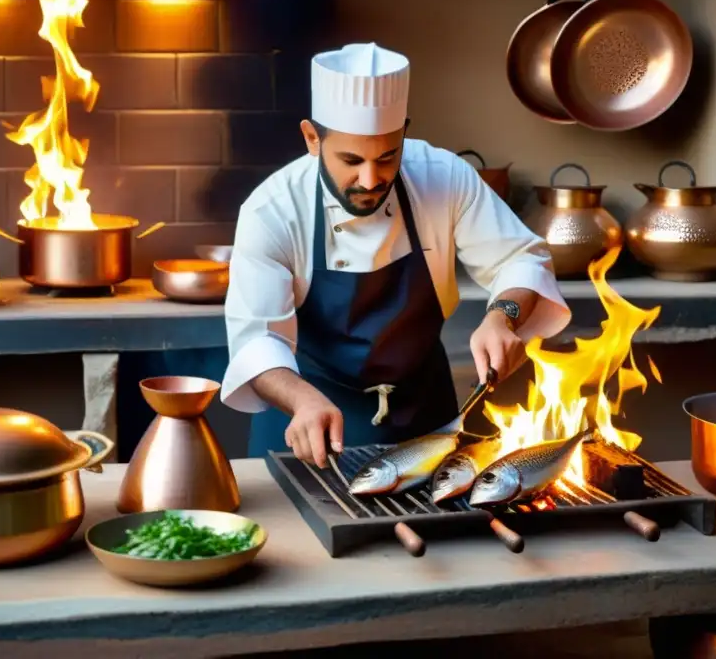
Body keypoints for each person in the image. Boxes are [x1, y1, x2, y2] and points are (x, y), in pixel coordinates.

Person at [220, 42, 571, 467]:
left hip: (425, 419)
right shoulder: (272, 210)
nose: (371, 179)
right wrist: (300, 400)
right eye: (351, 159)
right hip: (309, 421)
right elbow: (257, 340)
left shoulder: (442, 176)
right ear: (313, 139)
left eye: (387, 156)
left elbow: (519, 257)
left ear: (404, 132)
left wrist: (502, 318)